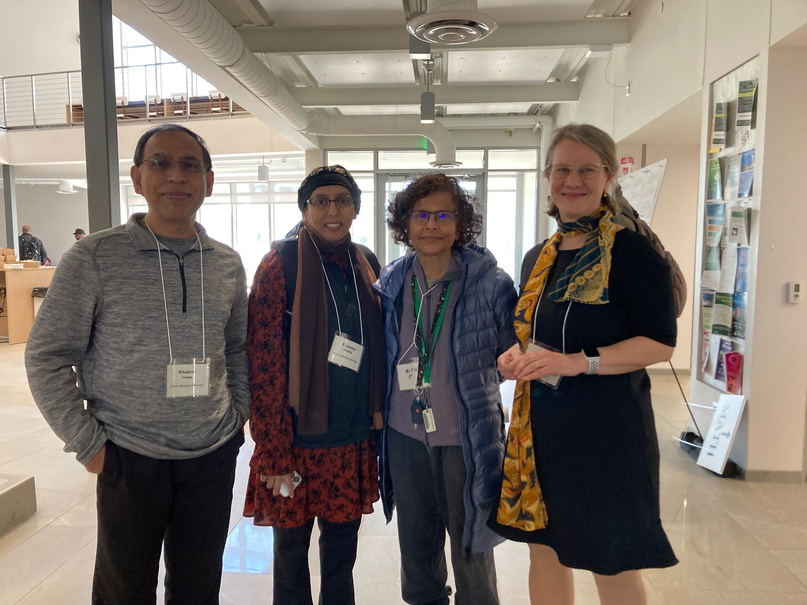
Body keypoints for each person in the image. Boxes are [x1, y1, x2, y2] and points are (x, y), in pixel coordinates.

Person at [25, 123, 249, 604]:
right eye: (160, 163)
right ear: (137, 177)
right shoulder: (94, 257)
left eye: (190, 165)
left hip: (210, 454)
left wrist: (239, 416)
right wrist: (89, 445)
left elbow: (236, 348)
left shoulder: (227, 263)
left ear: (208, 182)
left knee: (199, 585)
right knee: (124, 590)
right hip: (128, 456)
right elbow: (47, 355)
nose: (176, 176)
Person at [488, 123, 678, 605]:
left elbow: (659, 344)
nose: (573, 180)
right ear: (548, 176)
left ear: (609, 176)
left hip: (610, 434)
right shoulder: (540, 255)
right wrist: (515, 353)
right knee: (545, 553)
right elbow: (531, 330)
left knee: (611, 561)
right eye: (563, 169)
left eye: (587, 169)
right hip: (542, 432)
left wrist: (577, 363)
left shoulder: (631, 250)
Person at [244, 164, 384, 605]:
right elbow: (263, 362)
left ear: (356, 208)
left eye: (342, 200)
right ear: (305, 208)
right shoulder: (278, 265)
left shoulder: (366, 264)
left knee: (342, 554)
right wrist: (272, 451)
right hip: (295, 444)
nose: (331, 210)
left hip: (350, 440)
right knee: (290, 553)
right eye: (320, 201)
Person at [376, 173, 518, 605]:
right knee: (417, 552)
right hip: (404, 436)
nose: (431, 224)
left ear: (461, 224)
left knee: (472, 551)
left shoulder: (491, 283)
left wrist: (513, 356)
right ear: (405, 224)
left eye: (443, 214)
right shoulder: (393, 281)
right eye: (420, 215)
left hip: (466, 440)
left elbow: (512, 348)